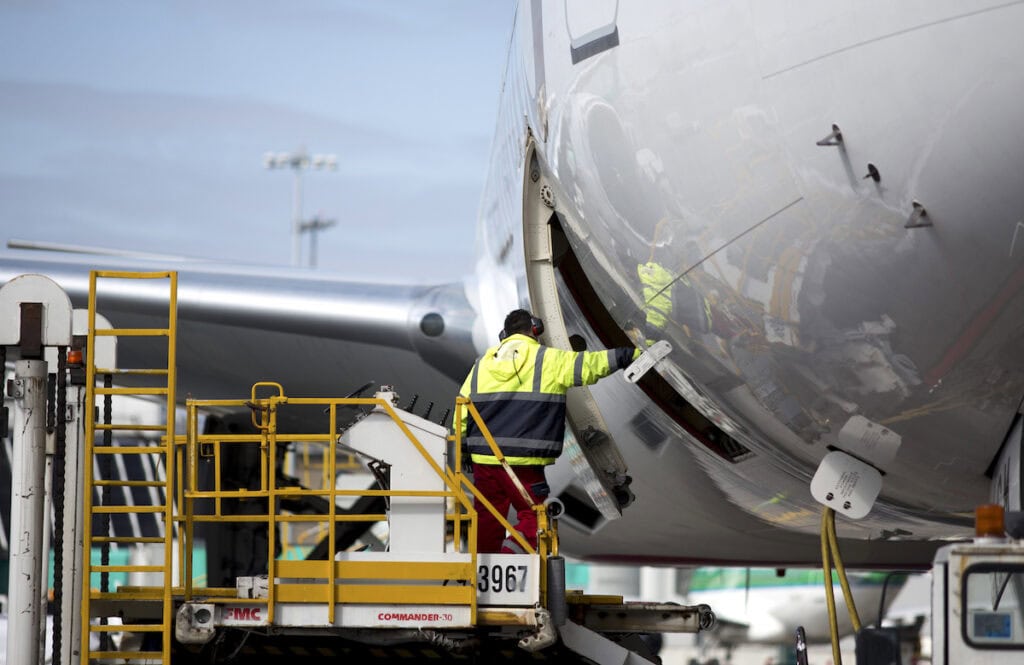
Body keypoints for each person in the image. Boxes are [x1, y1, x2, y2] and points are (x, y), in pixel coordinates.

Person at [458, 308, 639, 553]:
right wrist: (628, 354)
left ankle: (483, 576)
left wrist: (462, 446)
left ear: (505, 334)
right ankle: (509, 556)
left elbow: (462, 406)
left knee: (487, 519)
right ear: (534, 329)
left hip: (484, 461)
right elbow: (589, 366)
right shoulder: (546, 359)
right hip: (523, 463)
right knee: (535, 519)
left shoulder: (482, 364)